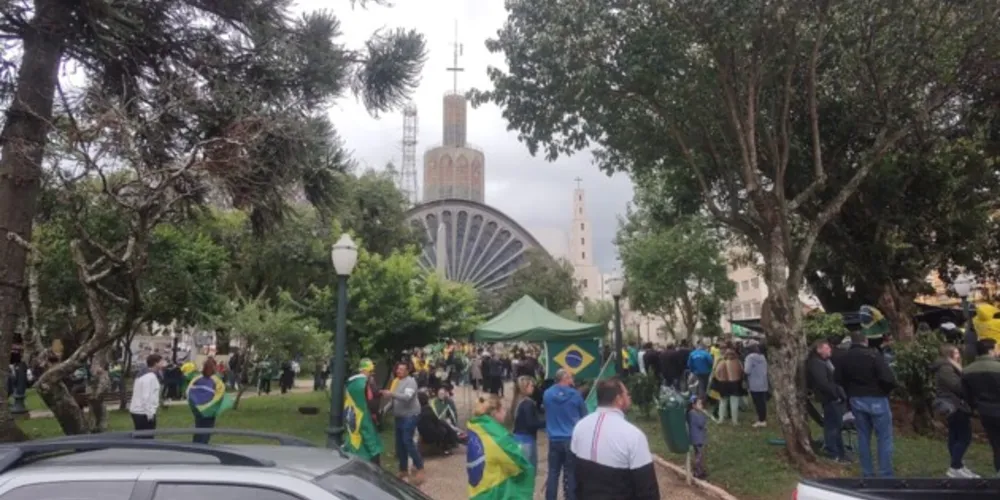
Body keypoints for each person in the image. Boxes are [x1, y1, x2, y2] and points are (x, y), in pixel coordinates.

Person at [571, 378, 659, 500]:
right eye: (627, 394)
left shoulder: (580, 427)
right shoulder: (633, 435)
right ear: (619, 399)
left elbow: (576, 476)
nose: (629, 397)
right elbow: (647, 489)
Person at [838, 332, 897, 477]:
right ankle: (885, 474)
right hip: (877, 397)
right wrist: (884, 391)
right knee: (884, 437)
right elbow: (889, 378)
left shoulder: (844, 358)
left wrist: (850, 390)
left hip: (856, 398)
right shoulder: (873, 355)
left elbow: (837, 378)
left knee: (863, 436)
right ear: (865, 341)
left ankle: (867, 472)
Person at [466, 395, 534, 499]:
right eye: (503, 409)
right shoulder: (498, 437)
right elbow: (519, 465)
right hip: (492, 492)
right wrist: (518, 449)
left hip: (477, 491)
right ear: (495, 412)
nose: (505, 412)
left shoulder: (476, 427)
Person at [933, 344, 977, 478]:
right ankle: (955, 466)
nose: (959, 356)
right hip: (954, 405)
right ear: (949, 355)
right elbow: (958, 387)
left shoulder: (948, 368)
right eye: (956, 353)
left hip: (955, 404)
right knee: (964, 436)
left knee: (955, 435)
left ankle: (958, 465)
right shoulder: (946, 368)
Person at [543, 369, 587, 500]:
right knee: (570, 473)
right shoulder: (575, 395)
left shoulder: (547, 394)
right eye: (571, 378)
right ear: (565, 379)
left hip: (554, 439)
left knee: (553, 472)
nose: (572, 380)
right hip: (570, 439)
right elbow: (584, 415)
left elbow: (545, 409)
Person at [380, 362, 424, 485]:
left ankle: (420, 467)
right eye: (398, 369)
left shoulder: (411, 382)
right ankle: (403, 470)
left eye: (402, 369)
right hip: (399, 417)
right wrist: (384, 410)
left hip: (410, 416)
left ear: (407, 371)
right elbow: (394, 400)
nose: (398, 371)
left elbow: (407, 397)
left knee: (407, 440)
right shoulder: (396, 382)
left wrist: (391, 393)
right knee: (400, 444)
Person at [962, 338, 1000, 477]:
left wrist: (975, 408)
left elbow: (967, 395)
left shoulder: (967, 371)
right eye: (996, 348)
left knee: (996, 444)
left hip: (985, 412)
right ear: (990, 350)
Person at [806, 339, 848, 463]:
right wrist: (836, 394)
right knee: (832, 426)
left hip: (833, 397)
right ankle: (833, 453)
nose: (830, 350)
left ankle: (840, 453)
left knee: (836, 425)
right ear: (819, 349)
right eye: (827, 348)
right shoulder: (816, 363)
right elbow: (823, 383)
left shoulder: (824, 362)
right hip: (829, 398)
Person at [343, 358, 383, 464]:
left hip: (352, 420)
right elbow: (370, 404)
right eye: (371, 371)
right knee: (369, 448)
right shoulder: (363, 384)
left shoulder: (352, 383)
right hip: (362, 420)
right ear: (365, 370)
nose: (372, 374)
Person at [187, 358, 233, 444]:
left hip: (197, 409)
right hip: (209, 411)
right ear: (214, 367)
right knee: (206, 430)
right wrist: (212, 408)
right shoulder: (217, 380)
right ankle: (202, 446)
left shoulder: (196, 378)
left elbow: (188, 392)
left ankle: (195, 445)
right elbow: (219, 396)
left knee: (198, 428)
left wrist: (194, 406)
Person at [512, 375, 545, 468]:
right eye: (531, 386)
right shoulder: (528, 403)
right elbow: (531, 423)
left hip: (517, 438)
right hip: (527, 440)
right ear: (525, 387)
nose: (533, 388)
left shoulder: (517, 402)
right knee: (530, 469)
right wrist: (545, 423)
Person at [129, 354, 165, 434]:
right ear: (155, 363)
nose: (163, 363)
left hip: (139, 411)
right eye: (161, 362)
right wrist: (150, 414)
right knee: (146, 437)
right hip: (143, 412)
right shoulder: (149, 377)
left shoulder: (142, 374)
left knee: (141, 436)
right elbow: (146, 396)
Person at [712, 349, 744, 425]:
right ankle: (734, 421)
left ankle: (721, 419)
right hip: (735, 383)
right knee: (734, 403)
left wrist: (720, 379)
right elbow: (741, 372)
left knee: (723, 402)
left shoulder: (721, 362)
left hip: (723, 384)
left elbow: (716, 372)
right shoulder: (738, 362)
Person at [744, 344, 769, 427]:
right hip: (763, 382)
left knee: (757, 402)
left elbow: (747, 370)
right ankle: (763, 418)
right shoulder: (763, 357)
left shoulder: (749, 358)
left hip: (754, 383)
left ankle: (761, 420)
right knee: (762, 402)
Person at [688, 396, 710, 479]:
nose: (701, 406)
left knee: (698, 454)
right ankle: (698, 471)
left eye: (701, 404)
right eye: (699, 404)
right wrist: (704, 415)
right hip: (698, 438)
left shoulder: (692, 413)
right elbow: (701, 423)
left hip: (696, 437)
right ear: (693, 405)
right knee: (699, 455)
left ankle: (699, 470)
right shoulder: (694, 414)